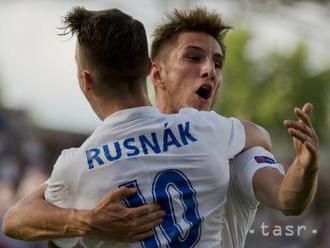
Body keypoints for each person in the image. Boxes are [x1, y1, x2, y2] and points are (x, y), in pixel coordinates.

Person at [2, 7, 319, 248]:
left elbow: (287, 198)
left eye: (218, 63)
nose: (209, 70)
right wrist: (84, 221)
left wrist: (305, 167)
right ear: (153, 72)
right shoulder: (214, 133)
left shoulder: (234, 148)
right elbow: (26, 215)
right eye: (194, 57)